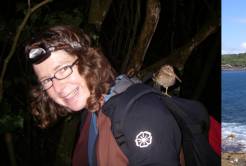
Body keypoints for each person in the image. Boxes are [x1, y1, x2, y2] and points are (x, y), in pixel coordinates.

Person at [25, 25, 182, 165]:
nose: (58, 87)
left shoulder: (141, 112)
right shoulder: (92, 110)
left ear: (89, 60)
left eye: (63, 69)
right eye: (46, 80)